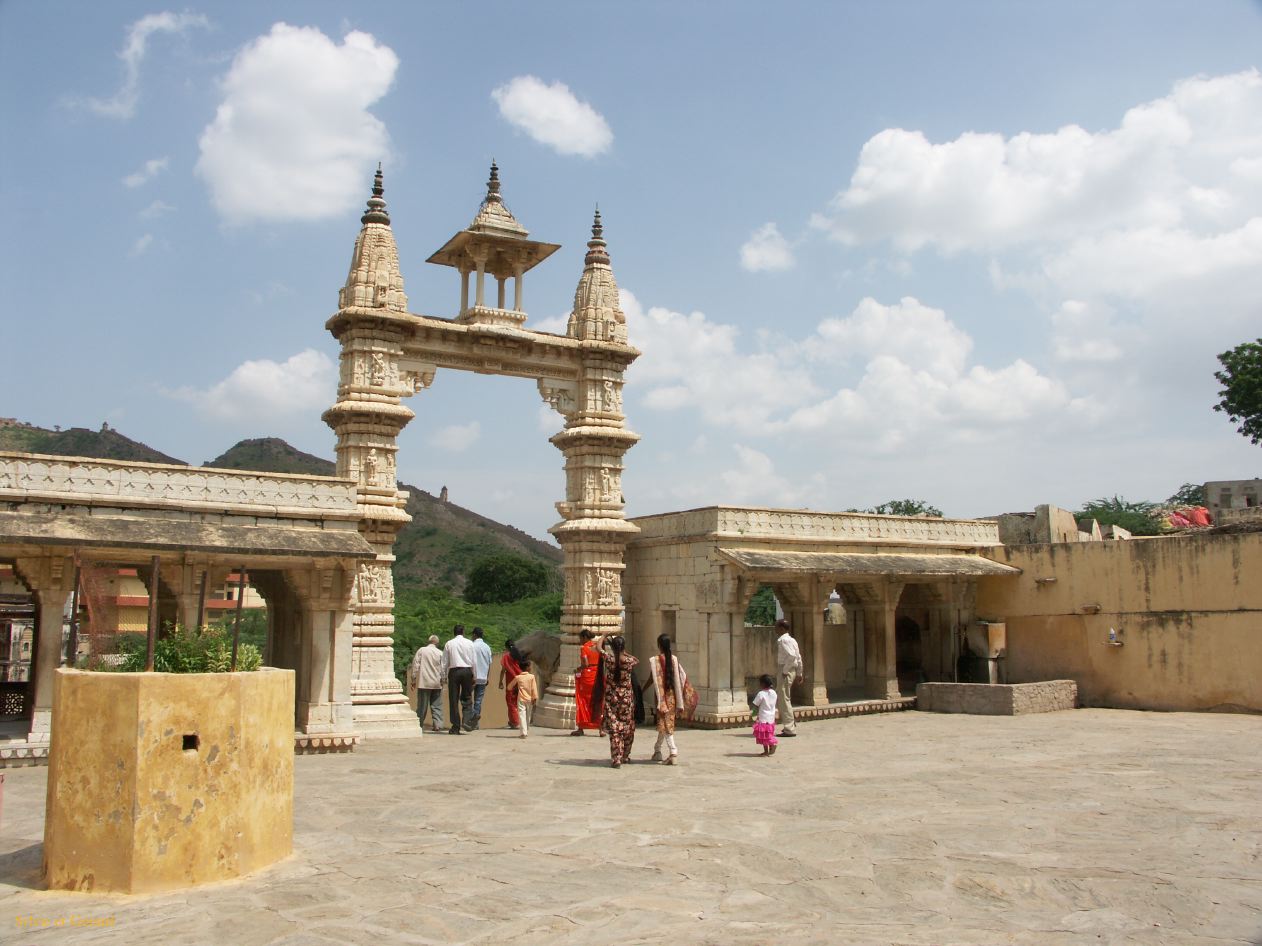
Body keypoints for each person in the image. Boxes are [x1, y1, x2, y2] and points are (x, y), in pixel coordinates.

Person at [644, 633, 692, 765]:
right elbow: (681, 676)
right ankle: (657, 750)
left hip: (661, 697)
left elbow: (651, 679)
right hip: (672, 696)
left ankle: (673, 751)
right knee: (664, 723)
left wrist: (642, 690)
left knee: (665, 724)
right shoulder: (674, 659)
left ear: (659, 645)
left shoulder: (655, 660)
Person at [600, 635, 639, 768]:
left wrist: (604, 636)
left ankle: (616, 758)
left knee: (615, 729)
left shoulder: (609, 659)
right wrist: (623, 652)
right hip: (626, 699)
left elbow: (598, 648)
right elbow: (636, 660)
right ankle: (625, 755)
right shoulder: (629, 661)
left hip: (612, 698)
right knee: (628, 727)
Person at [441, 624, 476, 734]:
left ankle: (455, 726)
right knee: (467, 697)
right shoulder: (470, 643)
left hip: (454, 672)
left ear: (454, 632)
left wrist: (443, 676)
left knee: (453, 699)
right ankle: (466, 720)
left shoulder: (449, 644)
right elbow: (474, 661)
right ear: (463, 632)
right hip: (466, 671)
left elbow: (444, 662)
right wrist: (474, 675)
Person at [407, 634, 445, 733]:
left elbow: (416, 665)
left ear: (429, 641)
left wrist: (413, 679)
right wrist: (443, 680)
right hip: (436, 682)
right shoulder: (440, 653)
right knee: (437, 705)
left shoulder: (422, 650)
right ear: (437, 643)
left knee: (422, 706)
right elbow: (443, 669)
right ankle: (437, 725)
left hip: (424, 682)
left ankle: (419, 724)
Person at [571, 629, 603, 736]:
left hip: (587, 677)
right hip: (597, 676)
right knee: (597, 701)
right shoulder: (597, 648)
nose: (580, 640)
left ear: (585, 637)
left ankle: (581, 728)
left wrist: (578, 669)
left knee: (582, 701)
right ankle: (600, 729)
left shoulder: (584, 648)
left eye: (580, 638)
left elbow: (585, 663)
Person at [775, 619, 803, 737]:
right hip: (791, 669)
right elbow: (798, 657)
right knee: (785, 697)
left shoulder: (784, 640)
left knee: (783, 699)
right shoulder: (792, 640)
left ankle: (789, 728)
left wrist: (785, 671)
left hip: (785, 669)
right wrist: (799, 672)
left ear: (781, 628)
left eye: (777, 627)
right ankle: (790, 724)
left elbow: (791, 656)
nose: (775, 629)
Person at [468, 627, 493, 731]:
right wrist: (487, 677)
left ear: (474, 635)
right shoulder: (487, 647)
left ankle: (471, 719)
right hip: (483, 677)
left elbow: (469, 662)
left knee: (468, 699)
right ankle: (476, 724)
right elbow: (489, 663)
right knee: (478, 701)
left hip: (473, 677)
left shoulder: (472, 646)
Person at [506, 658, 539, 738]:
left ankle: (523, 732)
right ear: (527, 667)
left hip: (521, 699)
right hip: (529, 699)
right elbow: (534, 688)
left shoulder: (518, 677)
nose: (530, 668)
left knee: (522, 715)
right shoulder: (531, 677)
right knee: (528, 715)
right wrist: (535, 697)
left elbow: (509, 687)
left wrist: (516, 688)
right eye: (530, 666)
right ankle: (526, 730)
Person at [498, 638, 525, 730]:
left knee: (511, 702)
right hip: (520, 680)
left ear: (506, 647)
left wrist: (500, 682)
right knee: (518, 702)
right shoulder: (518, 655)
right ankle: (516, 721)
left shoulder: (506, 656)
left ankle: (515, 722)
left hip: (511, 681)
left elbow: (503, 670)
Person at [752, 673, 779, 756]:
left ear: (763, 684)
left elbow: (755, 705)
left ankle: (770, 746)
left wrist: (753, 714)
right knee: (768, 734)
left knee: (764, 736)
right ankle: (767, 750)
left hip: (763, 718)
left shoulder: (761, 694)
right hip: (771, 717)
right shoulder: (774, 693)